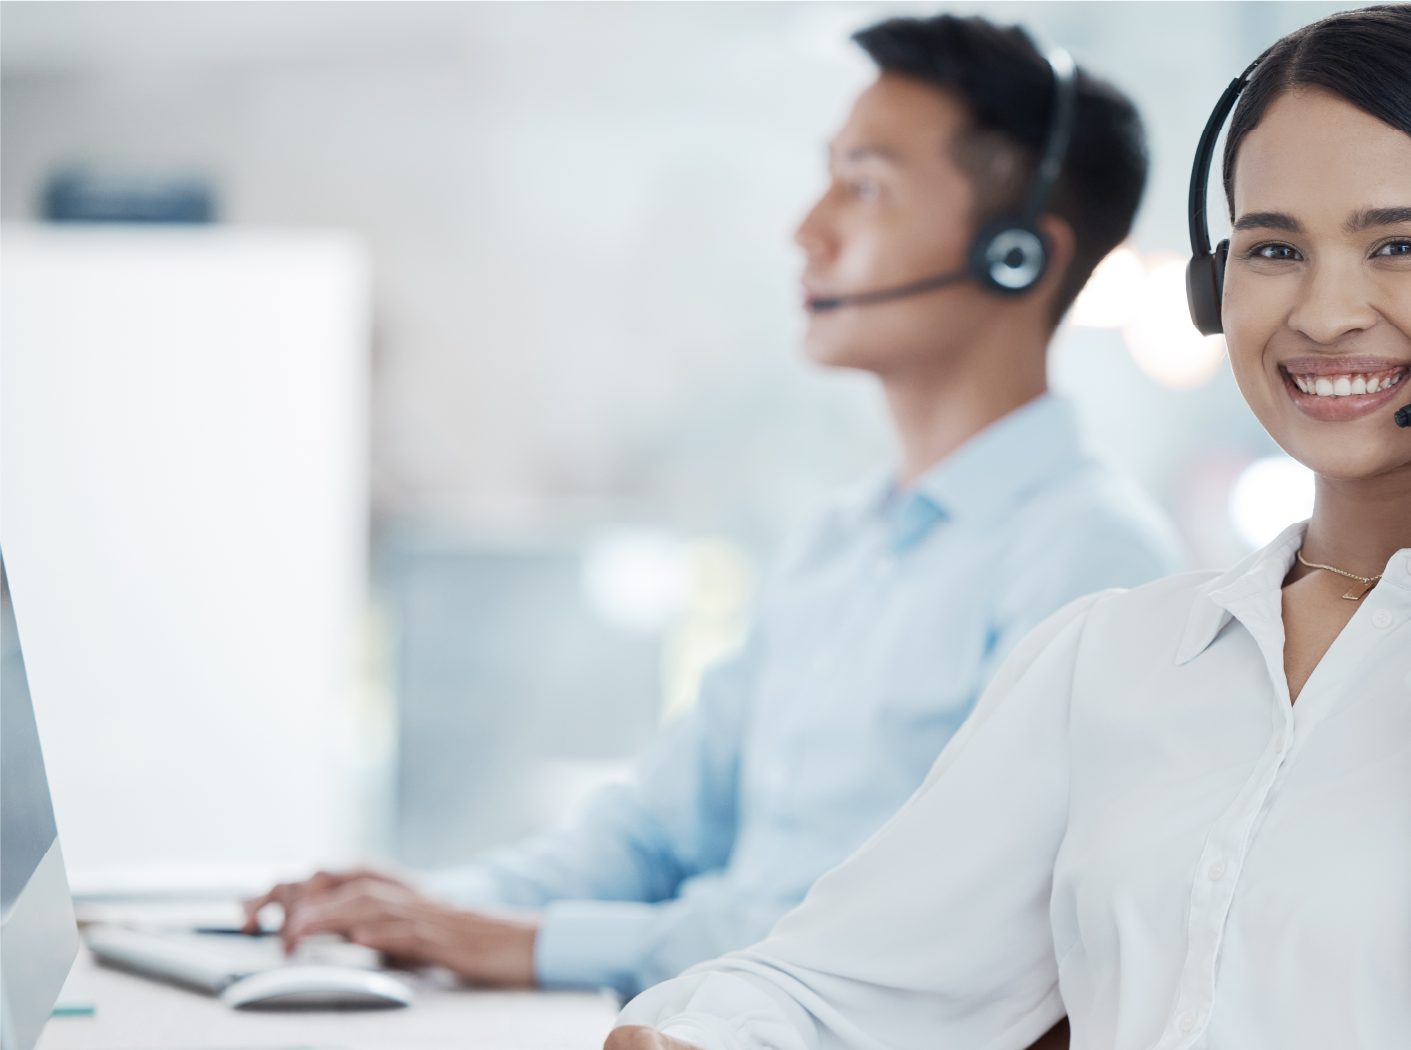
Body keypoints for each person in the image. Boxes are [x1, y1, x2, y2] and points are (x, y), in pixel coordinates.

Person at [606, 7, 1411, 1049]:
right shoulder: (1106, 656)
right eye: (1272, 249)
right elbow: (839, 985)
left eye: (1398, 246)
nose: (1322, 312)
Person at [241, 15, 1183, 998]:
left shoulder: (1091, 566)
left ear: (1016, 255)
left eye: (864, 186)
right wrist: (423, 909)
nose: (806, 231)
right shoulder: (841, 540)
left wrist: (520, 940)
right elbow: (655, 828)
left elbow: (909, 931)